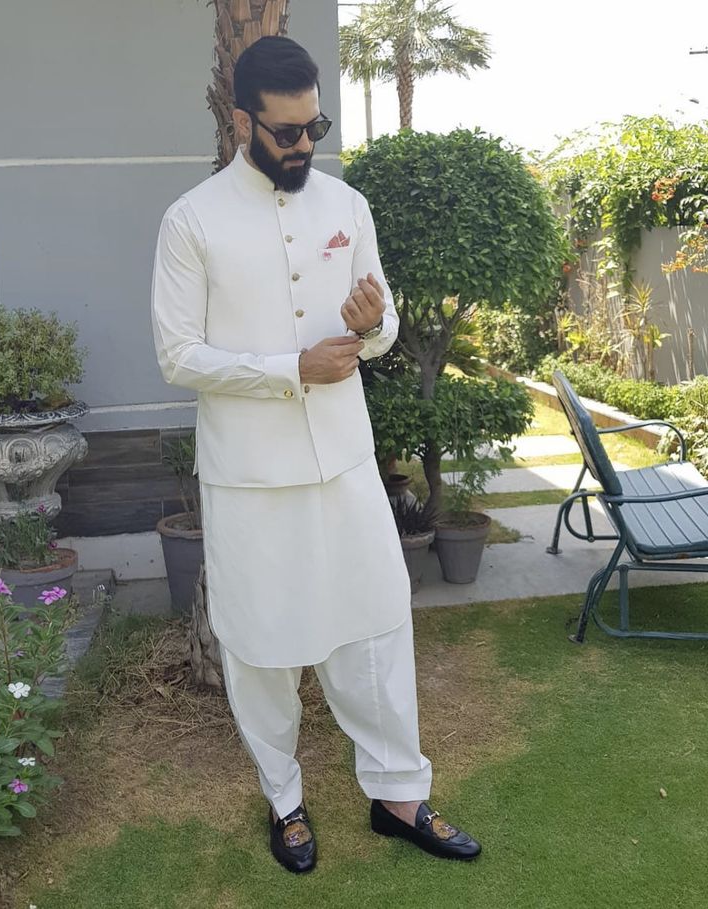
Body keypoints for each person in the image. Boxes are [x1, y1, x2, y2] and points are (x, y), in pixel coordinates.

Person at [151, 35, 481, 874]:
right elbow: (176, 355)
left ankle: (400, 795)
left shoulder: (348, 206)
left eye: (314, 128)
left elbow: (384, 326)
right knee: (260, 643)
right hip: (249, 476)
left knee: (375, 625)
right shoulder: (191, 220)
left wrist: (373, 327)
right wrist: (286, 370)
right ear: (242, 121)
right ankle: (285, 800)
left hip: (343, 462)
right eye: (286, 132)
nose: (304, 146)